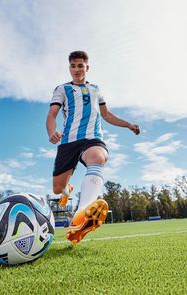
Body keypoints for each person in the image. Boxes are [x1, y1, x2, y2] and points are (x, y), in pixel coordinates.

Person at [46, 51, 140, 244]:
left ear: (87, 68)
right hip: (69, 142)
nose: (77, 69)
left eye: (80, 65)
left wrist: (128, 124)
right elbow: (52, 115)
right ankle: (67, 190)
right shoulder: (62, 89)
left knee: (97, 157)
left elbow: (107, 115)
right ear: (69, 68)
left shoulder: (96, 89)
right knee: (57, 189)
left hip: (93, 139)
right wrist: (52, 132)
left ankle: (81, 217)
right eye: (73, 66)